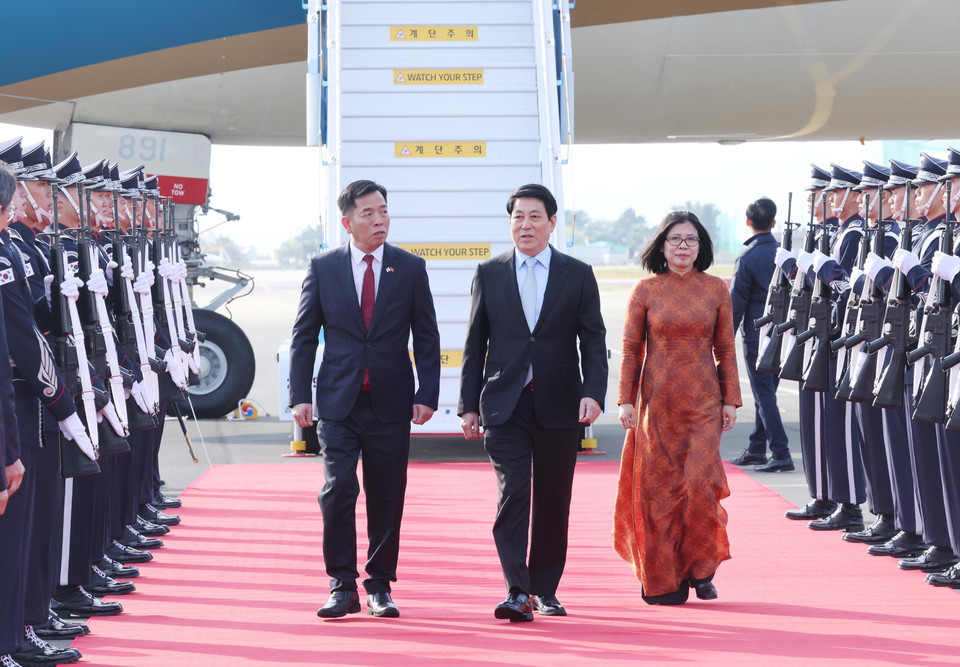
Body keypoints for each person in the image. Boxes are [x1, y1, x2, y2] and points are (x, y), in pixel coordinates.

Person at [289, 179, 441, 619]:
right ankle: (341, 585)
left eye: (384, 211)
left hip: (391, 401)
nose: (379, 221)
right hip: (338, 401)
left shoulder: (409, 268)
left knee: (387, 494)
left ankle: (379, 585)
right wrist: (300, 395)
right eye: (368, 214)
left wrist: (427, 393)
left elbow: (426, 336)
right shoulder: (323, 267)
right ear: (347, 222)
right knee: (338, 491)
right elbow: (302, 337)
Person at [459, 183, 607, 622]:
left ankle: (545, 590)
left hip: (560, 404)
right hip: (505, 405)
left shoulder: (577, 273)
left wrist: (593, 393)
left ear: (552, 222)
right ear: (510, 223)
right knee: (514, 493)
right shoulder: (489, 272)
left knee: (553, 498)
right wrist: (469, 404)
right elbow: (474, 344)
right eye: (518, 217)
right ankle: (517, 590)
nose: (525, 225)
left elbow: (593, 340)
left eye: (534, 217)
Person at [614, 210, 741, 605]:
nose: (683, 246)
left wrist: (731, 400)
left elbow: (725, 348)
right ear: (662, 246)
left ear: (700, 247)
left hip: (703, 404)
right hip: (656, 406)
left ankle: (702, 571)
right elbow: (632, 350)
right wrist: (624, 400)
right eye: (675, 239)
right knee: (659, 492)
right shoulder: (645, 291)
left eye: (691, 240)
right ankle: (663, 574)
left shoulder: (717, 289)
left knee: (700, 488)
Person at [728, 197, 793, 472]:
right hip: (784, 332)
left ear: (747, 222)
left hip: (757, 335)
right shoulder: (785, 254)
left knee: (763, 394)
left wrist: (723, 340)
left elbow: (736, 304)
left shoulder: (747, 257)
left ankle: (780, 452)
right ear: (774, 223)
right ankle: (757, 447)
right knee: (766, 394)